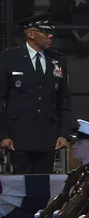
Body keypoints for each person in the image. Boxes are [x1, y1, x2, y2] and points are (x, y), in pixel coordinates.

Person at [0, 12, 72, 173]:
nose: (51, 35)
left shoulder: (57, 59)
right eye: (45, 32)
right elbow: (1, 99)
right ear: (31, 34)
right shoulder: (8, 58)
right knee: (20, 187)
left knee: (43, 187)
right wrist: (3, 135)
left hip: (48, 136)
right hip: (18, 137)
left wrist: (63, 133)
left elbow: (64, 100)